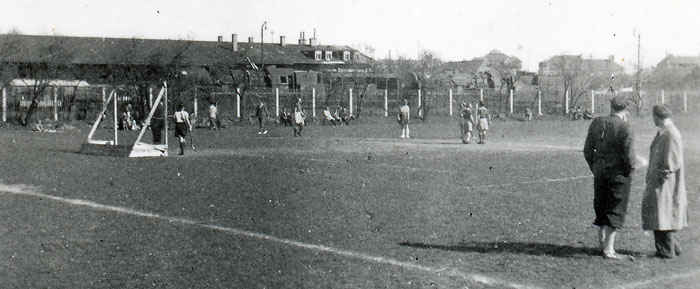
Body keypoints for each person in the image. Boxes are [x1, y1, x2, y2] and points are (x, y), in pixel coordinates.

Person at [583, 95, 640, 260]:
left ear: (611, 106)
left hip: (600, 172)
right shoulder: (625, 127)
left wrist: (594, 167)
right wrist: (630, 170)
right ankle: (609, 250)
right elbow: (629, 156)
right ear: (626, 109)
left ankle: (602, 244)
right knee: (615, 209)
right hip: (618, 175)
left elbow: (587, 150)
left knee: (601, 206)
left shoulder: (597, 122)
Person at [642, 105, 687, 259]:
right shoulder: (664, 132)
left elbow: (673, 161)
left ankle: (666, 251)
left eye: (653, 116)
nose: (652, 119)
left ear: (657, 116)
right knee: (660, 214)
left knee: (662, 214)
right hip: (661, 181)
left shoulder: (670, 134)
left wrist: (660, 177)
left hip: (665, 183)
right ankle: (672, 247)